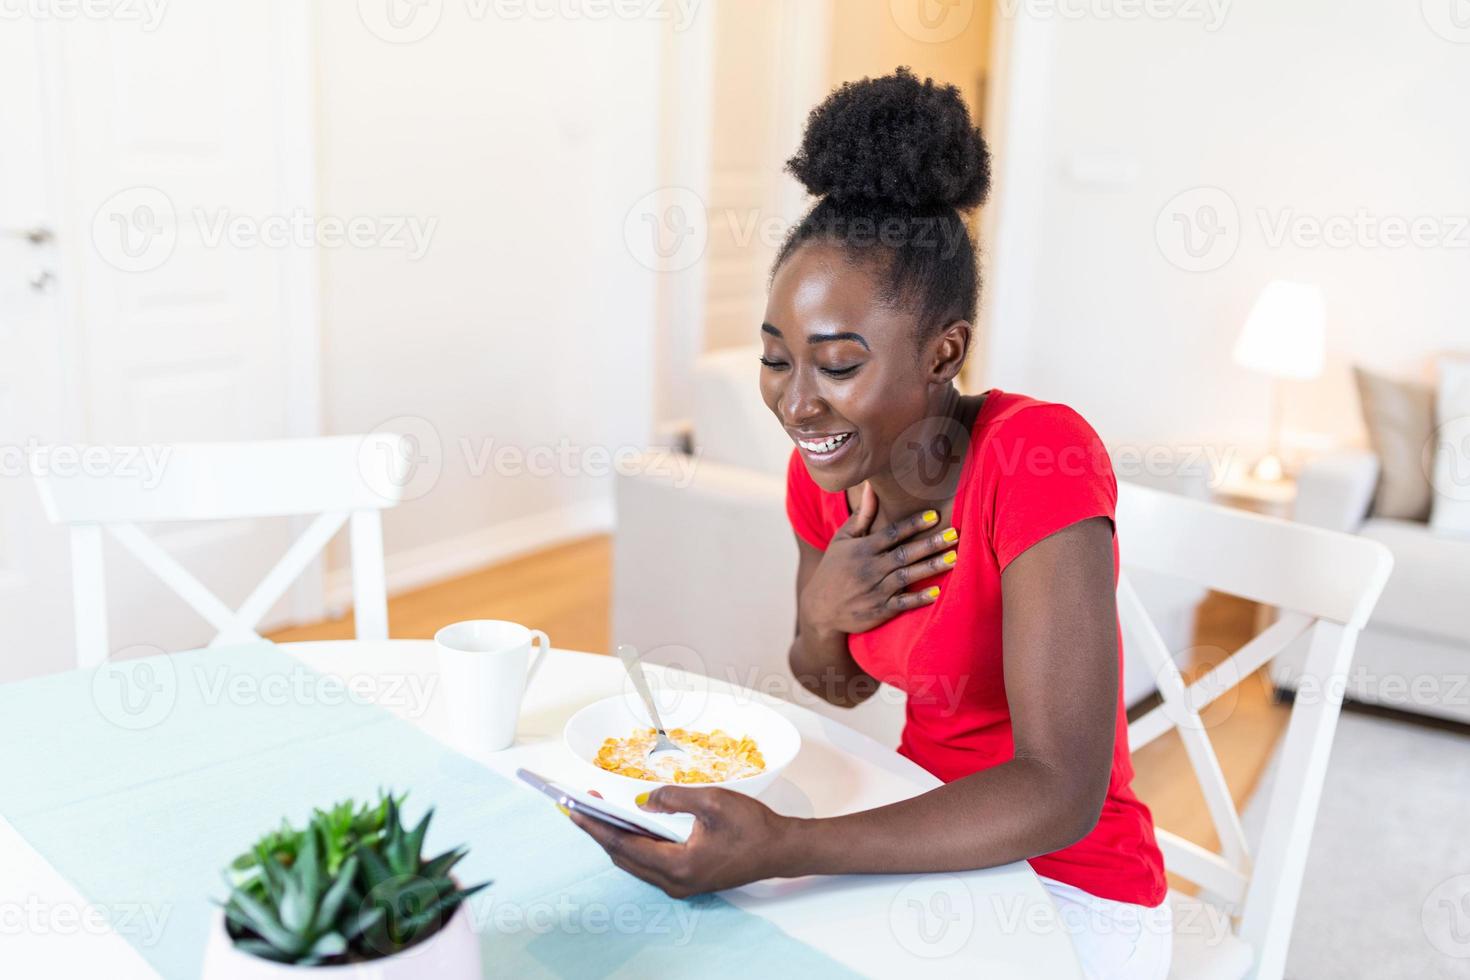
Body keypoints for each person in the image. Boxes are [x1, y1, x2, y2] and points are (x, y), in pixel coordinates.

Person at [571, 68, 1171, 978]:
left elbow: (1061, 793)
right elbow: (835, 685)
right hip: (914, 832)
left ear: (945, 352)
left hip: (1071, 889)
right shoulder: (826, 476)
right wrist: (823, 615)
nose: (797, 404)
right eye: (776, 360)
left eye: (838, 364)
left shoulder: (1036, 457)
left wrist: (789, 845)